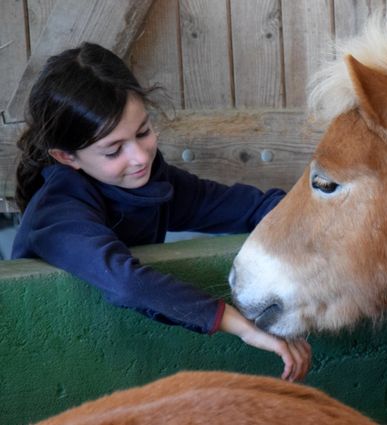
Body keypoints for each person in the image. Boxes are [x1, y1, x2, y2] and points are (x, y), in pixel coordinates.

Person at [11, 42, 311, 381]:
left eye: (143, 132)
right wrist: (241, 325)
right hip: (56, 367)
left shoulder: (154, 183)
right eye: (113, 151)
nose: (140, 157)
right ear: (67, 157)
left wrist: (326, 216)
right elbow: (125, 283)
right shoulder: (57, 213)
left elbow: (251, 208)